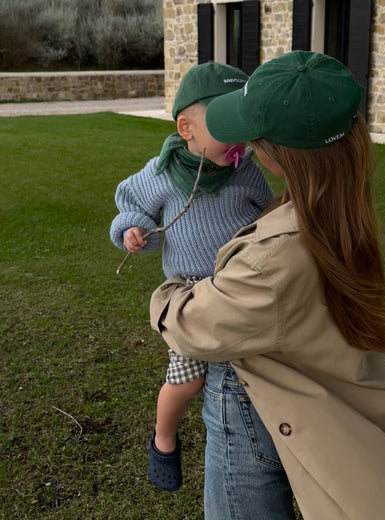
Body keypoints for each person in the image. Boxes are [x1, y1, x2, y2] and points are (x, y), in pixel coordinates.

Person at [150, 51, 385, 520]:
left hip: (254, 406)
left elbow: (191, 325)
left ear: (275, 155)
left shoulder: (273, 260)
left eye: (255, 134)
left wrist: (172, 289)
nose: (248, 143)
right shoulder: (340, 213)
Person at [110, 61, 275, 492]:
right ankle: (164, 438)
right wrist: (130, 232)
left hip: (238, 289)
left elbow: (267, 211)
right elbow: (131, 205)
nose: (238, 139)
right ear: (186, 127)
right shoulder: (164, 174)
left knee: (250, 369)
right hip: (190, 297)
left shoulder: (245, 170)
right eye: (225, 126)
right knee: (188, 379)